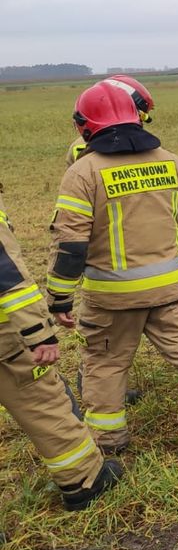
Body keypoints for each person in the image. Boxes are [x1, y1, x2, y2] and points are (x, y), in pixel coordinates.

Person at [46, 77, 178, 452]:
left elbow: (70, 245)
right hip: (170, 289)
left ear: (85, 126)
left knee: (105, 364)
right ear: (136, 116)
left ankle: (109, 438)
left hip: (111, 300)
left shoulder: (81, 174)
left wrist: (59, 299)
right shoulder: (171, 162)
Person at [1, 188, 123, 510]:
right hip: (5, 340)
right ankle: (84, 479)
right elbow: (7, 277)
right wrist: (37, 332)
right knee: (41, 400)